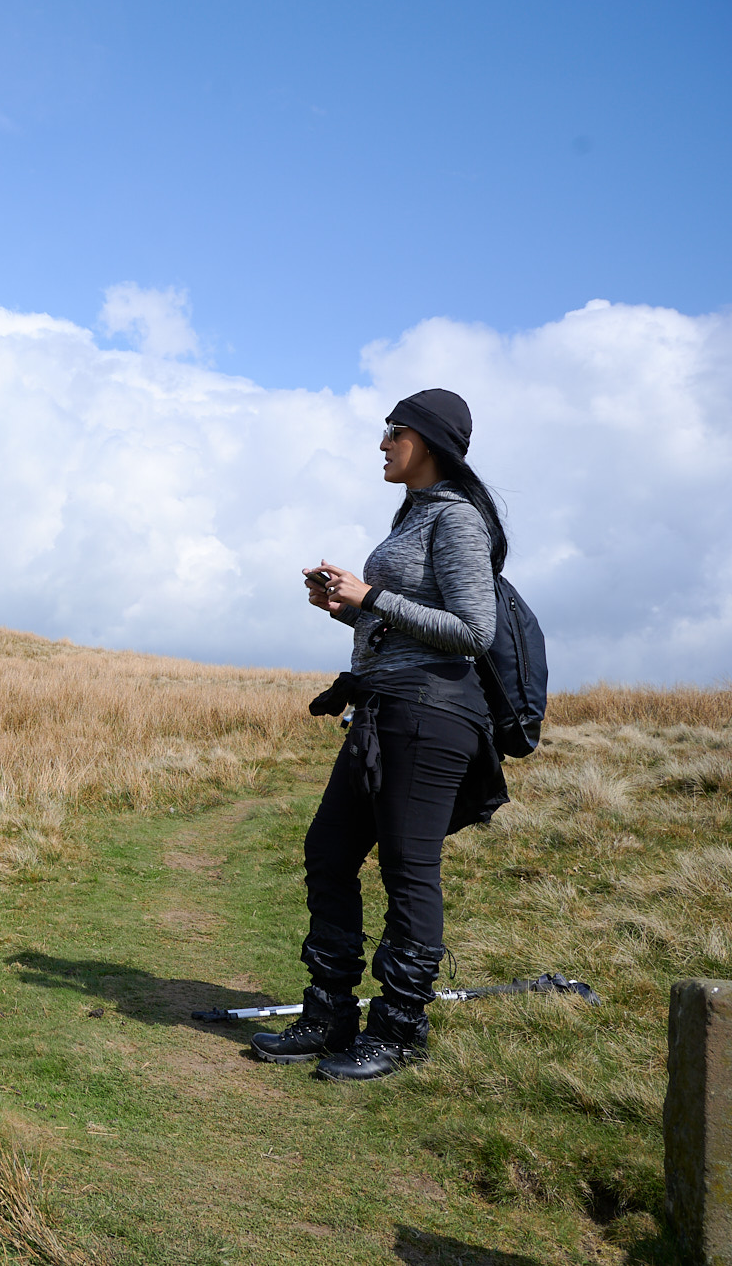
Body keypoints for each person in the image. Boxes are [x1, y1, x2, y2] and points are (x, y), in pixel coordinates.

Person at [254, 388, 510, 1081]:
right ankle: (331, 1012)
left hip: (432, 715)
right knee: (329, 850)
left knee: (407, 867)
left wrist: (371, 596)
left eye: (392, 431)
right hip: (383, 708)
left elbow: (471, 633)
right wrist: (346, 609)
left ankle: (397, 1030)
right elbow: (402, 625)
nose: (382, 443)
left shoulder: (455, 518)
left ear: (425, 440)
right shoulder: (414, 516)